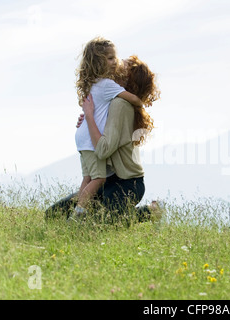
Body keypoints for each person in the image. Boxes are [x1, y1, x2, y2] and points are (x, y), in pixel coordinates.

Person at [45, 55, 161, 223]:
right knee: (53, 215)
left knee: (98, 224)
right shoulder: (113, 99)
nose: (116, 65)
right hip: (107, 180)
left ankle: (150, 211)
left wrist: (90, 117)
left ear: (127, 78)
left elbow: (103, 150)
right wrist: (87, 120)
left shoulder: (120, 104)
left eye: (122, 66)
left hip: (126, 184)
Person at [73, 37, 144, 221]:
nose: (115, 63)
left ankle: (77, 211)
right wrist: (140, 101)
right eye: (110, 58)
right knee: (99, 179)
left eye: (115, 58)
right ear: (98, 62)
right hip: (90, 140)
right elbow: (134, 99)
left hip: (81, 137)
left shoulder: (93, 84)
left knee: (87, 178)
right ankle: (78, 214)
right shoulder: (107, 86)